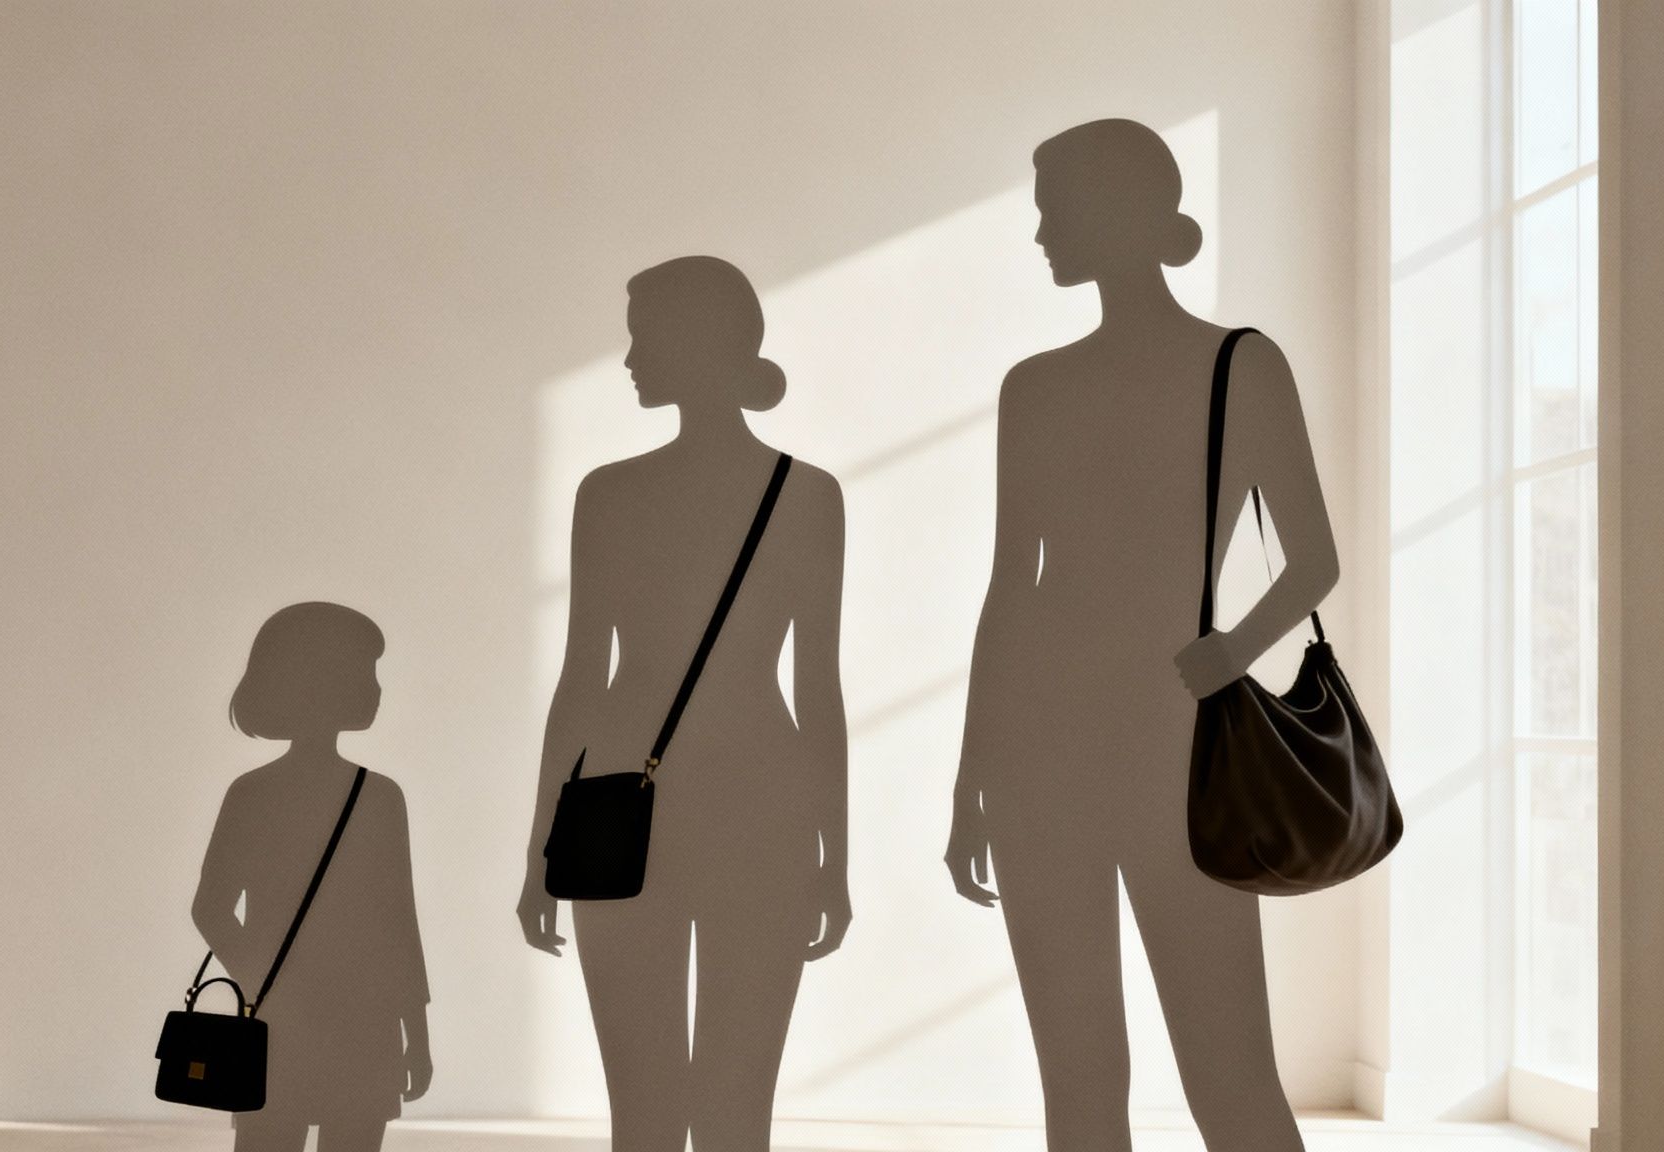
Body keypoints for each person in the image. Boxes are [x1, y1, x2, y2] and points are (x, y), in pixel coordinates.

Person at [944, 119, 1336, 1151]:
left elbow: (1312, 560)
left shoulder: (1237, 366)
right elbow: (1009, 591)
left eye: (1053, 207)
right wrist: (969, 775)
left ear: (1110, 214)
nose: (1038, 231)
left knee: (1226, 1075)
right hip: (1061, 756)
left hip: (1168, 754)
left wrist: (1231, 650)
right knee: (1082, 1082)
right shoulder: (1032, 386)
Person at [517, 256, 851, 1152]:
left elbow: (584, 679)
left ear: (693, 345)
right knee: (740, 1109)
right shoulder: (807, 496)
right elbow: (817, 692)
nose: (629, 357)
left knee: (644, 1110)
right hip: (765, 798)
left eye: (644, 336)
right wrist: (835, 856)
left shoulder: (612, 495)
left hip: (623, 794)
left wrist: (540, 844)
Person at [193, 602, 432, 1152]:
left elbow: (210, 909)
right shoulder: (379, 798)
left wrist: (266, 981)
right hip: (362, 1025)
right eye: (365, 671)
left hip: (283, 1024)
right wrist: (415, 1038)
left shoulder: (251, 794)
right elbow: (400, 928)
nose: (376, 688)